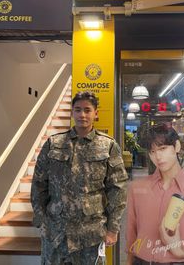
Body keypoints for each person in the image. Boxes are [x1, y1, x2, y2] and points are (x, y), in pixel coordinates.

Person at [31, 91, 128, 265]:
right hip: (56, 233)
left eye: (87, 110)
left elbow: (117, 189)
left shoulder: (108, 145)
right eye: (77, 110)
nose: (82, 114)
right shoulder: (54, 144)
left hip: (91, 235)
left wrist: (113, 228)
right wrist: (42, 221)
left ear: (95, 113)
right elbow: (39, 184)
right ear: (72, 112)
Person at [126, 123, 184, 265]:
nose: (158, 156)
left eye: (163, 148)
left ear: (177, 146)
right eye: (152, 152)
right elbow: (131, 236)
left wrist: (181, 252)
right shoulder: (137, 188)